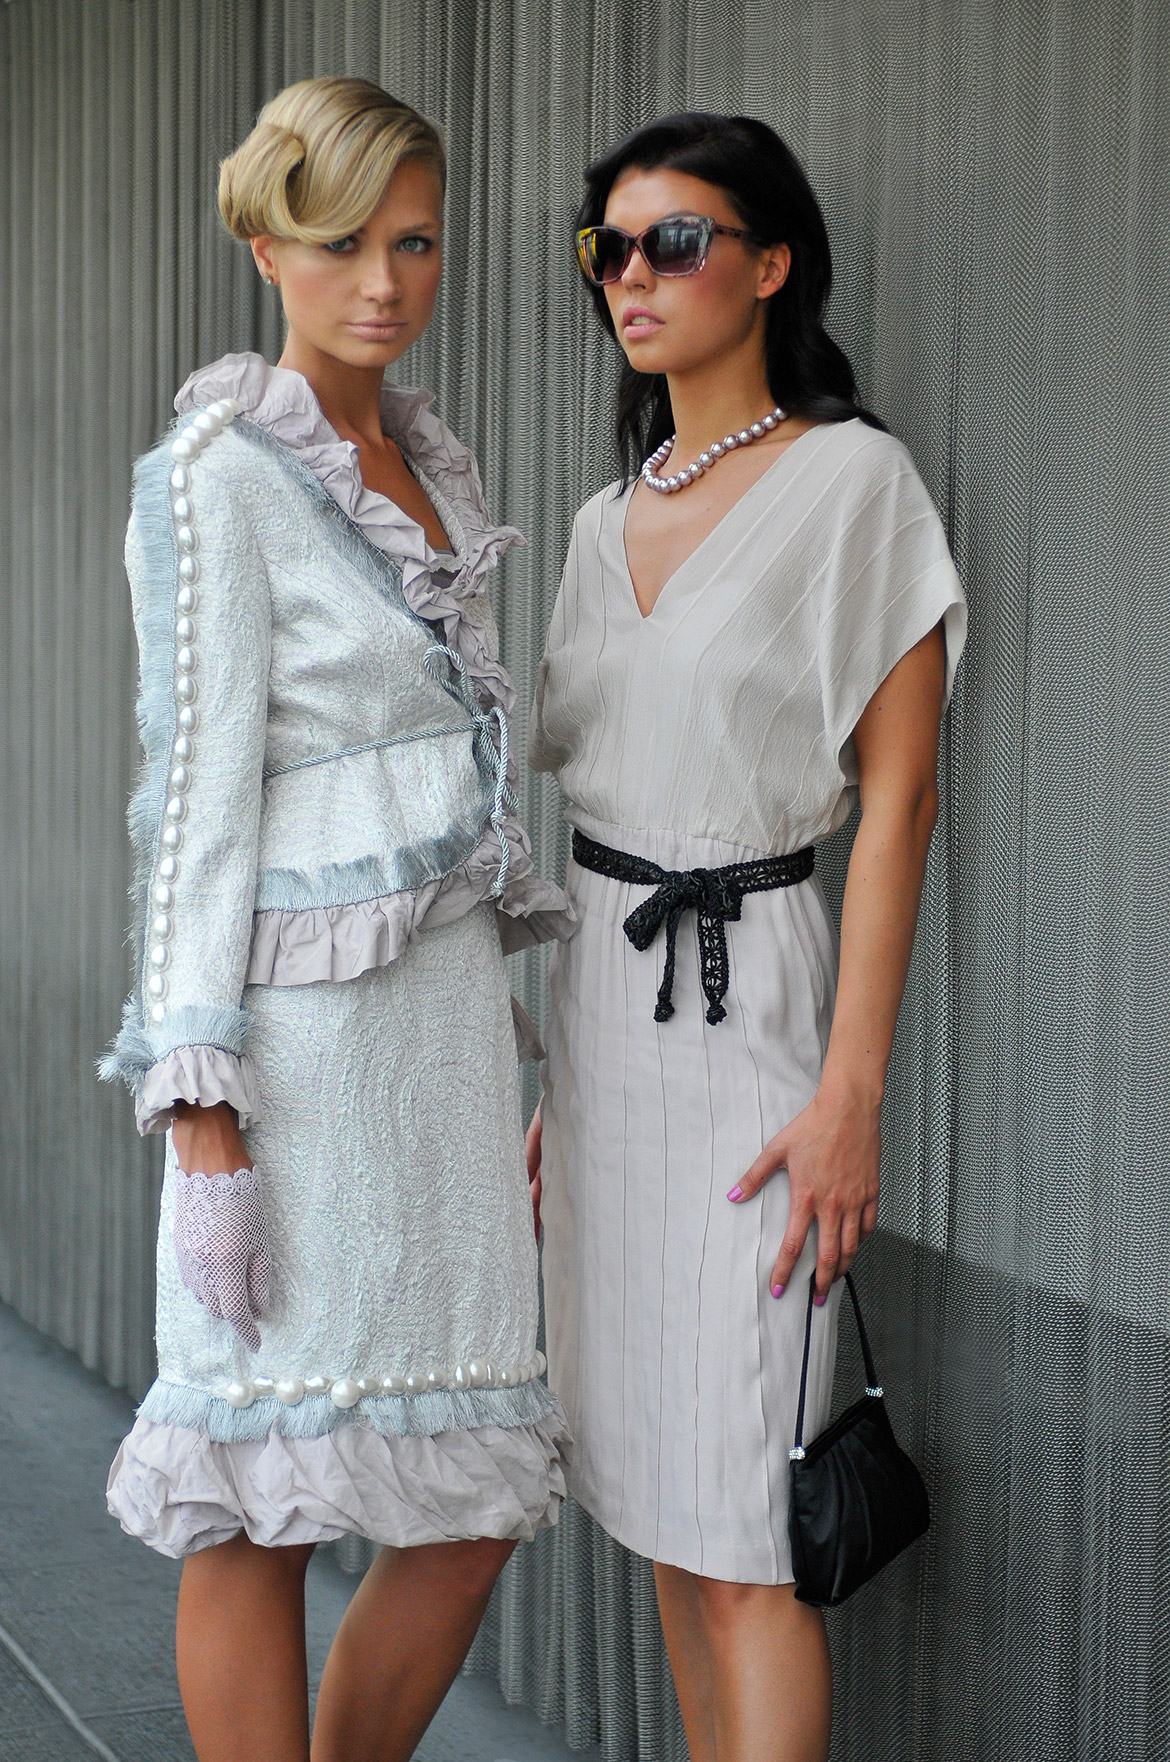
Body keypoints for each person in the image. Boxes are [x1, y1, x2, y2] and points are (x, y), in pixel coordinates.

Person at [99, 76, 573, 1762]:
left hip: (439, 1043)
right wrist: (201, 1111)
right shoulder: (215, 475)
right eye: (340, 241)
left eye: (415, 242)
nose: (382, 281)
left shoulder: (426, 462)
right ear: (263, 244)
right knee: (260, 1496)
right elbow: (190, 802)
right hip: (293, 1061)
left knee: (466, 1503)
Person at [528, 113, 966, 1762]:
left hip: (755, 1015)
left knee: (744, 1528)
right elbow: (593, 812)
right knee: (657, 1501)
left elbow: (900, 802)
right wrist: (552, 1083)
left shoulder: (856, 484)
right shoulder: (600, 522)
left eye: (676, 240)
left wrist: (850, 1092)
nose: (631, 277)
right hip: (603, 1025)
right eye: (609, 249)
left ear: (771, 264)